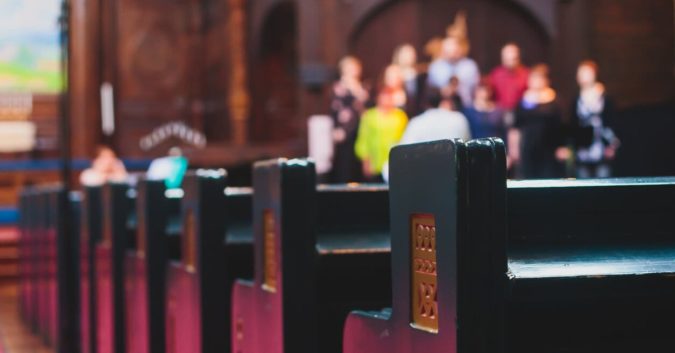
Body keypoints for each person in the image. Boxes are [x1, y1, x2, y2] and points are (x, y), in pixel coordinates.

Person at [510, 64, 565, 179]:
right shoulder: (523, 101)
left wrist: (562, 146)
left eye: (540, 78)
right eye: (534, 78)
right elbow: (515, 127)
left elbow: (562, 125)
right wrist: (514, 149)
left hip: (549, 150)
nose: (536, 81)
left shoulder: (554, 100)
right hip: (528, 149)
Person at [569, 60, 620, 178]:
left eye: (587, 73)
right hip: (583, 148)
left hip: (601, 145)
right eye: (581, 73)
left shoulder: (605, 97)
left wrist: (612, 145)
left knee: (604, 181)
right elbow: (573, 123)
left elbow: (612, 120)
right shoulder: (576, 99)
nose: (583, 77)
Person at [329, 56, 369, 182]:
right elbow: (338, 109)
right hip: (345, 133)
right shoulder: (339, 87)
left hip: (361, 130)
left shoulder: (361, 87)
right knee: (345, 164)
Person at [354, 89, 408, 181]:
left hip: (393, 163)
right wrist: (366, 161)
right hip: (375, 163)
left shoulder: (400, 116)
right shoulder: (370, 116)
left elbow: (405, 139)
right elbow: (363, 139)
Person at [398, 88, 471, 145]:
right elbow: (467, 145)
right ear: (441, 100)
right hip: (453, 163)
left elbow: (403, 150)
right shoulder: (459, 119)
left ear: (424, 103)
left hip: (425, 164)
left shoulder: (416, 123)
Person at [427, 36, 480, 107]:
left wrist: (459, 89)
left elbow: (476, 89)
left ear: (459, 50)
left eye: (454, 51)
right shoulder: (435, 67)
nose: (451, 55)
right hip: (442, 107)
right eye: (447, 52)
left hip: (466, 106)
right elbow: (430, 90)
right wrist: (442, 91)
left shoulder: (470, 66)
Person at [489, 43, 529, 111]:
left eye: (513, 59)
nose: (510, 63)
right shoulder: (496, 74)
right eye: (507, 60)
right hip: (500, 112)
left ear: (518, 58)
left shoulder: (526, 74)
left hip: (521, 112)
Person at [392, 44, 427, 116]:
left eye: (410, 54)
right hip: (396, 114)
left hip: (417, 114)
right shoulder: (393, 73)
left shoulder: (421, 76)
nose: (408, 57)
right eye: (405, 54)